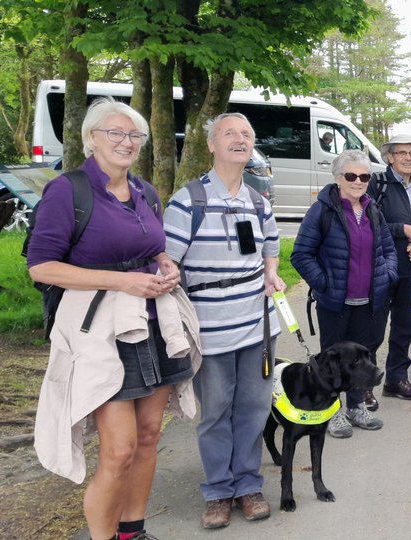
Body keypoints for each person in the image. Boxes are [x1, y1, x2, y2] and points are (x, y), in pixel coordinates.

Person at [27, 98, 194, 540]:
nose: (126, 142)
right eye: (114, 133)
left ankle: (132, 533)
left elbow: (149, 247)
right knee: (118, 450)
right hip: (101, 331)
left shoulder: (146, 192)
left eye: (134, 135)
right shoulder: (69, 190)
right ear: (91, 138)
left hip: (153, 323)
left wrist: (165, 264)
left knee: (147, 436)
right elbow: (41, 267)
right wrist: (121, 283)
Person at [164, 112, 285, 530]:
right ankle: (218, 491)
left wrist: (271, 271)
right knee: (215, 412)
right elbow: (167, 260)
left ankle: (248, 486)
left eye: (247, 134)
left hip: (257, 324)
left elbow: (272, 245)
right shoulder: (189, 199)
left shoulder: (258, 200)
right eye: (230, 133)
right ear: (212, 145)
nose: (240, 139)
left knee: (253, 408)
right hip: (209, 328)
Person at [292, 150, 399, 437]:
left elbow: (388, 249)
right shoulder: (322, 210)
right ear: (338, 178)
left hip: (368, 302)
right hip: (335, 303)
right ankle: (332, 412)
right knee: (332, 360)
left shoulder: (372, 209)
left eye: (364, 176)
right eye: (351, 176)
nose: (358, 181)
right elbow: (301, 254)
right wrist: (324, 283)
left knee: (362, 360)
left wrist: (387, 275)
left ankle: (355, 407)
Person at [371, 134, 411, 402]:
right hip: (381, 266)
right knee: (373, 328)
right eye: (402, 153)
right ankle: (363, 387)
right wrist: (402, 229)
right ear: (389, 157)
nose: (408, 158)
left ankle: (396, 379)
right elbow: (369, 223)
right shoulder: (377, 183)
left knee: (406, 325)